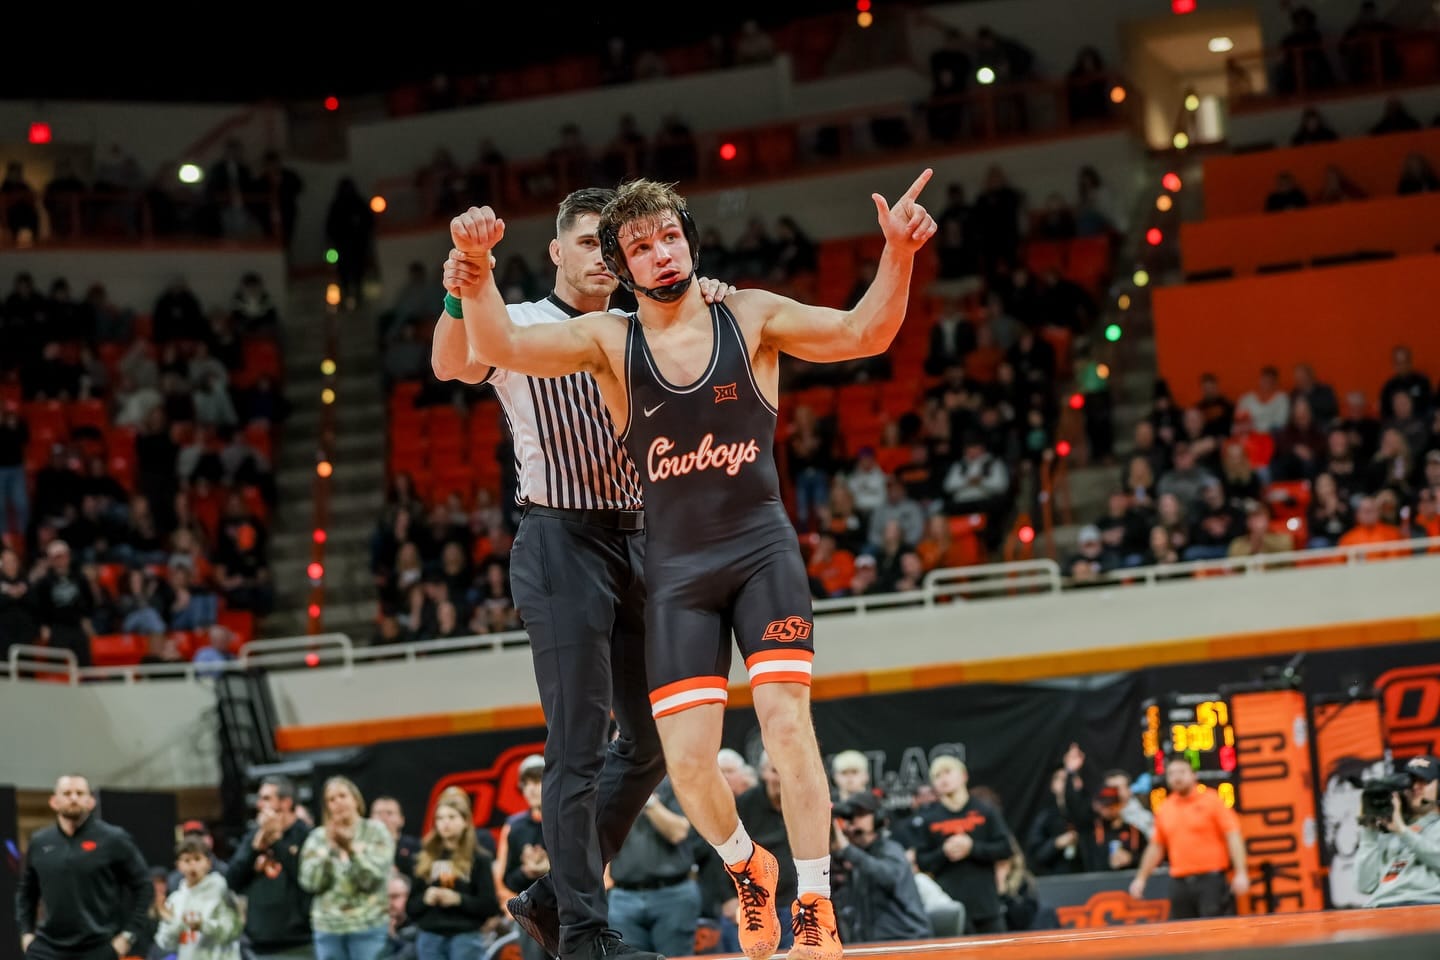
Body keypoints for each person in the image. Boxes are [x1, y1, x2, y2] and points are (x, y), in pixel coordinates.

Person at [444, 169, 937, 960]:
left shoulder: (748, 313)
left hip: (760, 551)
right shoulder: (611, 341)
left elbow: (863, 333)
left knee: (786, 725)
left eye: (671, 236)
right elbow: (497, 346)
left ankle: (814, 903)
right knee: (685, 764)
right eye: (641, 246)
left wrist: (899, 255)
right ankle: (747, 866)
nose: (662, 253)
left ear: (691, 242)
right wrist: (474, 272)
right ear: (621, 266)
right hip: (672, 570)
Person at [431, 188, 734, 960]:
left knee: (652, 740)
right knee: (578, 741)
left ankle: (549, 899)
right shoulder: (520, 321)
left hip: (641, 539)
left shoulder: (642, 325)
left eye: (614, 244)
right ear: (557, 252)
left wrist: (713, 305)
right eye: (589, 241)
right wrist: (465, 281)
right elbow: (450, 363)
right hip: (560, 539)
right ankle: (584, 934)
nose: (604, 255)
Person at [16, 774, 150, 960]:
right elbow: (26, 892)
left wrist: (128, 936)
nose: (73, 798)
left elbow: (144, 886)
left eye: (79, 793)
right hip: (47, 948)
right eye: (67, 793)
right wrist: (26, 934)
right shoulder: (40, 842)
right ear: (54, 801)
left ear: (91, 801)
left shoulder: (114, 839)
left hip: (98, 948)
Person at [1128, 757, 1249, 919]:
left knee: (1215, 930)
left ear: (1194, 775)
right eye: (1172, 773)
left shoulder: (1211, 800)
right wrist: (1141, 878)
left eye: (1182, 772)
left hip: (1210, 881)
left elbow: (1233, 835)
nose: (1177, 777)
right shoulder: (1166, 807)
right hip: (1179, 882)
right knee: (1181, 931)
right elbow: (1156, 846)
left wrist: (1241, 872)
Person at [910, 755, 1012, 934]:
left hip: (987, 907)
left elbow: (1005, 848)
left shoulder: (985, 810)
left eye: (947, 772)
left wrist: (972, 848)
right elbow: (922, 861)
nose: (943, 779)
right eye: (937, 775)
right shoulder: (928, 818)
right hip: (949, 908)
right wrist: (944, 851)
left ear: (964, 776)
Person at [299, 775, 396, 960]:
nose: (337, 802)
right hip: (328, 929)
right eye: (331, 799)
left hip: (368, 926)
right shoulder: (317, 837)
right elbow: (309, 883)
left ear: (355, 799)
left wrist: (351, 851)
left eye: (342, 796)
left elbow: (373, 879)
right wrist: (329, 853)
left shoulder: (376, 831)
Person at [606, 777, 701, 960]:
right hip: (623, 896)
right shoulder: (611, 784)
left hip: (672, 894)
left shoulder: (672, 782)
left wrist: (646, 799)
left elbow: (678, 832)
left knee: (675, 958)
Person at [407, 790, 502, 960]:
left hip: (465, 936)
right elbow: (410, 907)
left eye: (451, 817)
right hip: (430, 936)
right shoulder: (424, 858)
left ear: (465, 821)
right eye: (440, 818)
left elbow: (489, 906)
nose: (445, 823)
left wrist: (459, 900)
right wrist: (425, 898)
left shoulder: (480, 859)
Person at [227, 774, 314, 958]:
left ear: (286, 803)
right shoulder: (254, 836)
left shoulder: (306, 835)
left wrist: (276, 842)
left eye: (266, 798)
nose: (259, 805)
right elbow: (232, 880)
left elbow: (307, 879)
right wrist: (253, 850)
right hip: (259, 944)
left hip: (299, 943)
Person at [828, 791, 932, 944]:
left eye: (861, 814)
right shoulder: (854, 856)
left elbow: (888, 877)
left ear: (877, 818)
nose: (854, 821)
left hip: (906, 939)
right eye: (850, 817)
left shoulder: (890, 849)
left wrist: (847, 849)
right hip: (871, 942)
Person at [1357, 753, 1440, 907]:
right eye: (1410, 781)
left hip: (1425, 905)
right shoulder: (1390, 832)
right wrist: (1369, 832)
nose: (1415, 787)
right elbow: (1365, 885)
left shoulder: (1404, 829)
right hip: (1380, 909)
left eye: (1423, 781)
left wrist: (1403, 831)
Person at [155, 836, 245, 960]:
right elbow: (165, 944)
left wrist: (203, 925)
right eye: (186, 860)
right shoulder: (175, 900)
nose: (192, 865)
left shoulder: (222, 890)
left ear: (208, 863)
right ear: (178, 865)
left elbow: (233, 932)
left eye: (197, 859)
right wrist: (172, 922)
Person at [371, 796, 424, 877]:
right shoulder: (361, 845)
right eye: (379, 813)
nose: (384, 818)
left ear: (402, 820)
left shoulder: (416, 847)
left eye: (389, 813)